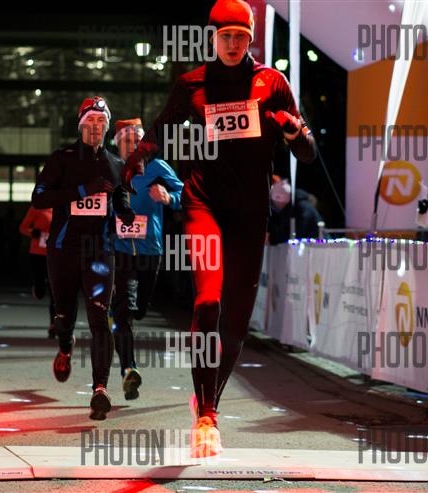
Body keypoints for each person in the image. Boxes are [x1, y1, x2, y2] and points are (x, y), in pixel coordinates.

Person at [123, 0, 317, 456]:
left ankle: (208, 398)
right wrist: (137, 159)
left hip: (250, 211)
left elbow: (308, 152)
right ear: (213, 38)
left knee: (235, 323)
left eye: (240, 36)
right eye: (225, 36)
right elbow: (161, 129)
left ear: (251, 39)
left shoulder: (272, 83)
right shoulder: (192, 83)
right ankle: (207, 416)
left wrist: (293, 132)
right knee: (208, 299)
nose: (232, 44)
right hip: (203, 203)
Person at [31, 96, 135, 420]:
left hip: (99, 250)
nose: (96, 127)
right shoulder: (62, 158)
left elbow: (120, 193)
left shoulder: (116, 163)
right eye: (90, 122)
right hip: (63, 249)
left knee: (100, 319)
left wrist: (125, 210)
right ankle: (65, 345)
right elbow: (39, 198)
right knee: (63, 317)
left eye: (101, 122)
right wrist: (81, 191)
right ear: (80, 126)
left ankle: (99, 389)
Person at [111, 118, 183, 400]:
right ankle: (129, 369)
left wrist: (168, 197)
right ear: (117, 144)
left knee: (139, 309)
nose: (132, 145)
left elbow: (186, 193)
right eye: (126, 140)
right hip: (119, 250)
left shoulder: (157, 167)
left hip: (150, 250)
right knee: (124, 311)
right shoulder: (111, 168)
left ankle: (129, 315)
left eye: (137, 140)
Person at [19, 205, 56, 338]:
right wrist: (33, 233)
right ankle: (38, 287)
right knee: (40, 291)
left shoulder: (62, 207)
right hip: (37, 254)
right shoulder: (37, 208)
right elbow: (23, 228)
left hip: (55, 255)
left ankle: (53, 325)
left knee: (55, 292)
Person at [267, 176, 323, 244]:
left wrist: (271, 238)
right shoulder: (290, 208)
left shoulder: (301, 207)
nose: (275, 205)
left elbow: (296, 233)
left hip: (317, 245)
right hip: (307, 245)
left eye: (275, 202)